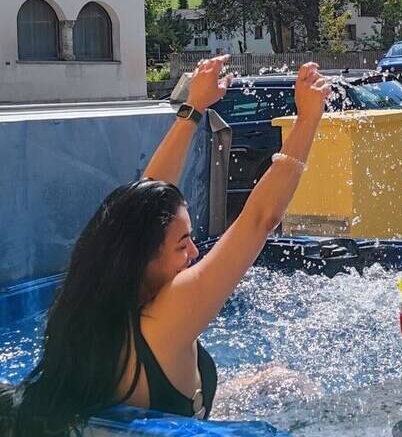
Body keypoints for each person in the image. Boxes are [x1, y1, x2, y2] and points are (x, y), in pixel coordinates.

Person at [0, 56, 331, 435]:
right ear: (142, 257)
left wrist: (194, 109)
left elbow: (146, 199)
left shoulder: (102, 306)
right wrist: (307, 121)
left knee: (276, 378)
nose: (195, 253)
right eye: (183, 244)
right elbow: (259, 221)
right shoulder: (164, 317)